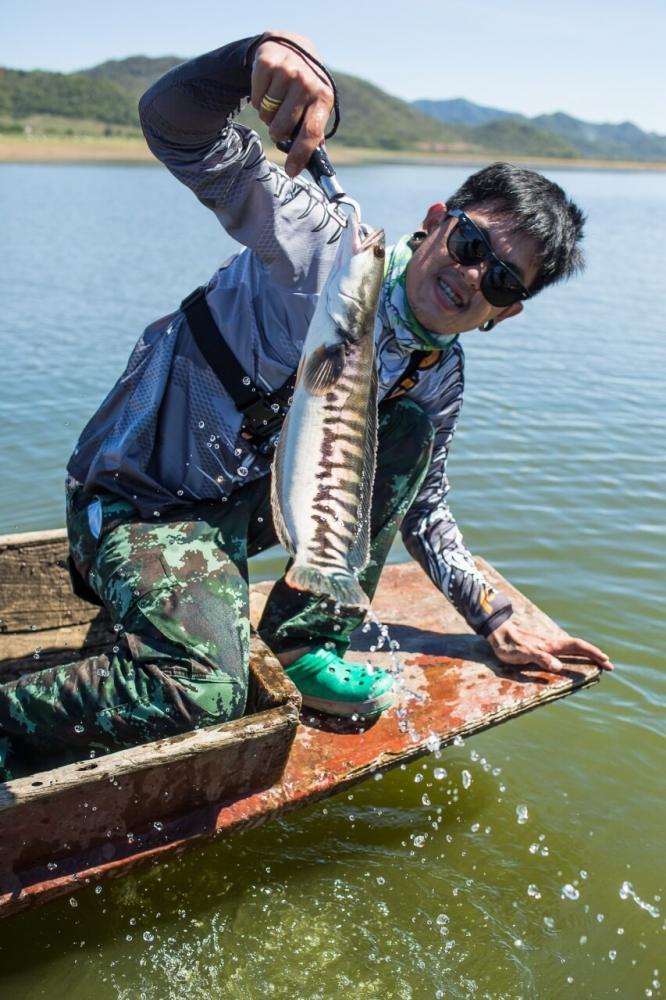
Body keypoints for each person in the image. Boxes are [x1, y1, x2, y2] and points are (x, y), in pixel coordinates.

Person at [0, 31, 613, 773]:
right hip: (141, 502)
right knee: (204, 692)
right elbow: (172, 124)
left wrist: (494, 616)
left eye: (504, 282)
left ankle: (303, 635)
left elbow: (421, 504)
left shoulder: (437, 372)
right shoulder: (318, 245)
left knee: (409, 433)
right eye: (472, 243)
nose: (473, 276)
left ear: (505, 314)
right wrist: (252, 59)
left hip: (235, 517)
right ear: (438, 220)